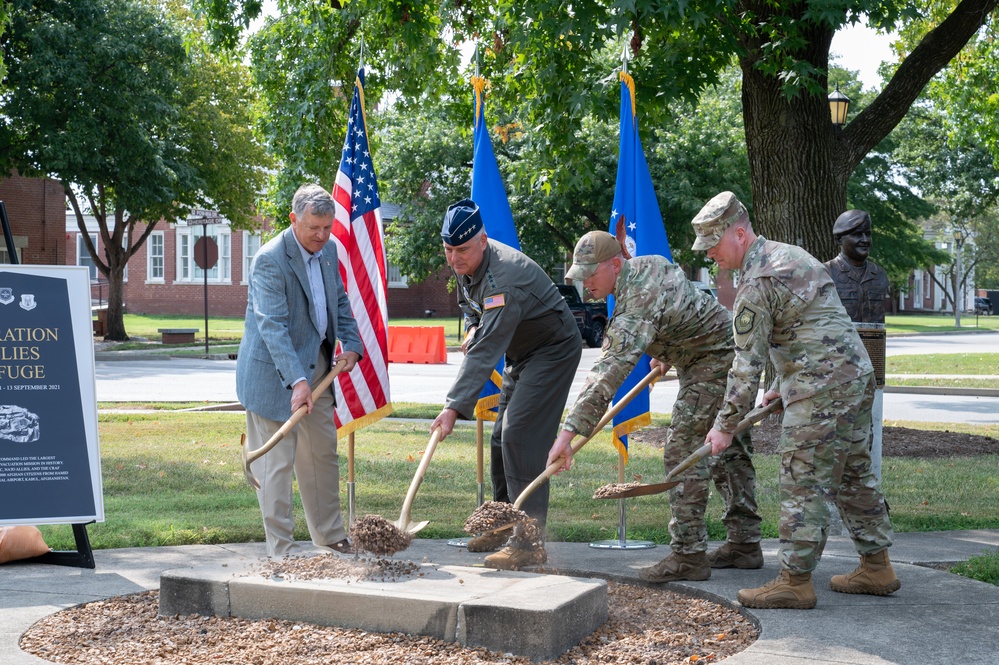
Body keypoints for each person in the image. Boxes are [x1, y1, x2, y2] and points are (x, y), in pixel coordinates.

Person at [692, 191, 899, 609]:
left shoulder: (755, 283)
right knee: (854, 472)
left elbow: (744, 365)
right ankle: (877, 566)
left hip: (820, 388)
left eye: (713, 244)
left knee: (802, 477)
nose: (710, 253)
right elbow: (808, 323)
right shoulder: (792, 255)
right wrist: (781, 384)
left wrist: (724, 425)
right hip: (856, 377)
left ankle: (794, 581)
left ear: (738, 233)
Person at [547, 231, 763, 583]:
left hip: (716, 362)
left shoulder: (636, 301)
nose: (585, 285)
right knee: (730, 450)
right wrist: (667, 350)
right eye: (580, 276)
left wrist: (568, 433)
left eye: (591, 275)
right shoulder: (646, 265)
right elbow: (676, 307)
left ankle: (689, 554)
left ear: (616, 264)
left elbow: (607, 373)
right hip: (721, 353)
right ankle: (745, 544)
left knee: (683, 452)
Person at [431, 199, 582, 570]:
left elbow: (484, 353)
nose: (454, 259)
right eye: (448, 250)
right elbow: (471, 306)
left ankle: (529, 542)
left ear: (483, 240)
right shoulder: (469, 263)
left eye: (462, 250)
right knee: (501, 437)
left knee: (520, 435)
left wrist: (452, 407)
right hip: (524, 352)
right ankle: (502, 522)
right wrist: (470, 326)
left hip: (553, 350)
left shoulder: (503, 281)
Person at [236, 183, 363, 557]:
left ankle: (328, 534)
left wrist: (351, 342)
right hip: (273, 375)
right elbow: (272, 327)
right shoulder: (269, 260)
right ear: (294, 220)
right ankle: (282, 549)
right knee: (278, 464)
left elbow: (338, 300)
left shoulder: (329, 251)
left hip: (318, 368)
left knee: (322, 453)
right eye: (314, 228)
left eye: (327, 228)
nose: (322, 236)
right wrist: (297, 381)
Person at [824, 209, 890, 323]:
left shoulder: (879, 274)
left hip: (873, 341)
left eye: (868, 234)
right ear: (839, 239)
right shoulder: (825, 273)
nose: (865, 240)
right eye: (857, 234)